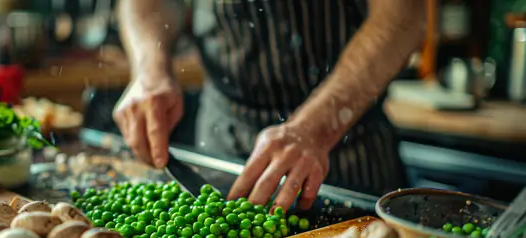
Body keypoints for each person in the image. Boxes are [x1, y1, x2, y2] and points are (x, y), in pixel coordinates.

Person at [113, 0, 425, 212]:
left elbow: (402, 15)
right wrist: (148, 69)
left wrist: (315, 128)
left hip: (348, 151)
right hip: (224, 142)